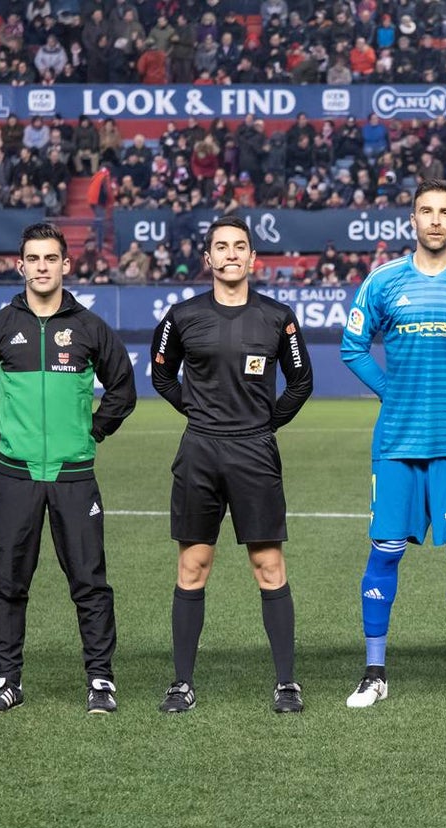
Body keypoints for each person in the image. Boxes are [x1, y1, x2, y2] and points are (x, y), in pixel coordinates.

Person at [340, 178, 446, 709]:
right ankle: (374, 673)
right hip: (397, 441)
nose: (435, 220)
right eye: (426, 211)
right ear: (412, 220)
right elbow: (353, 347)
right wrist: (392, 391)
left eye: (445, 212)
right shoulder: (384, 282)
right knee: (385, 551)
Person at [0, 222, 136, 714]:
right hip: (15, 475)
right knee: (8, 581)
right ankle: (5, 681)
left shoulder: (89, 328)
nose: (42, 267)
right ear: (21, 266)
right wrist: (6, 432)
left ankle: (101, 681)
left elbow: (122, 388)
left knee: (89, 581)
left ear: (65, 264)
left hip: (74, 475)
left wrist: (93, 432)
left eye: (50, 259)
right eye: (33, 259)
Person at [150, 215, 314, 714]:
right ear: (208, 258)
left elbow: (301, 381)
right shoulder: (182, 316)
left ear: (252, 258)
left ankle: (286, 683)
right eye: (220, 247)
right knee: (192, 564)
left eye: (239, 246)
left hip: (254, 452)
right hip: (200, 451)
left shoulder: (277, 316)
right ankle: (181, 683)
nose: (230, 255)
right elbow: (160, 374)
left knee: (268, 565)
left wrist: (265, 423)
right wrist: (197, 413)